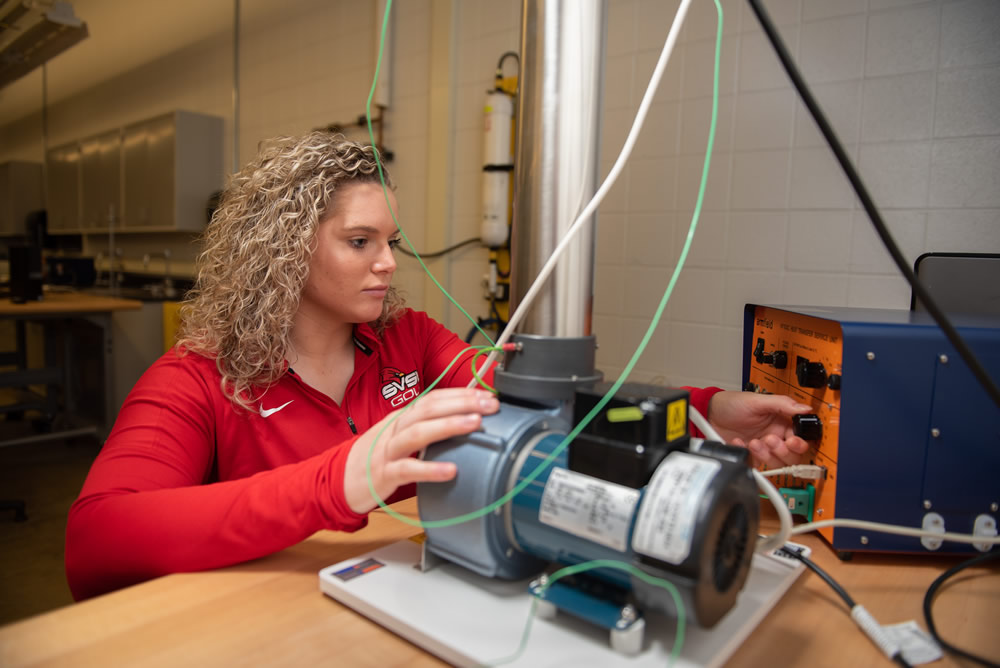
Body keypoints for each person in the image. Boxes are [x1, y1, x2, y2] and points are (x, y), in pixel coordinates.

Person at [65, 132, 809, 601]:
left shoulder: (409, 341)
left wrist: (706, 409)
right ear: (285, 250)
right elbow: (97, 541)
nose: (390, 264)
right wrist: (342, 477)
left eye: (392, 240)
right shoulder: (197, 377)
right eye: (361, 242)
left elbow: (544, 407)